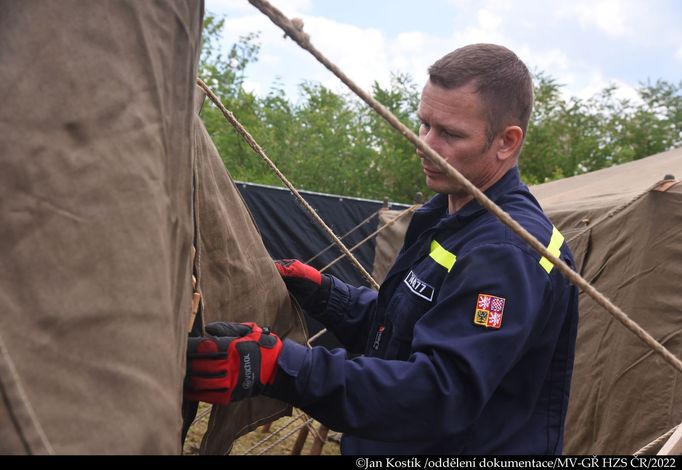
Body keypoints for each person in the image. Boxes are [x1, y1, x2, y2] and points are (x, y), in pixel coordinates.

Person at [184, 43, 579, 455]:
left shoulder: (505, 251)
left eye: (449, 133)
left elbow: (437, 394)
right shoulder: (447, 216)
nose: (424, 144)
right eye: (424, 124)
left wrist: (280, 368)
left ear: (506, 142)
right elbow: (403, 332)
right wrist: (327, 294)